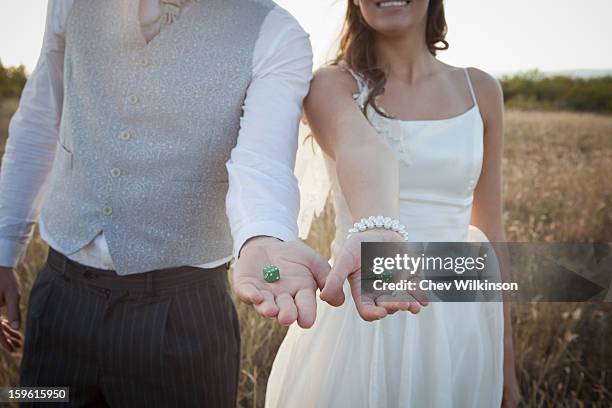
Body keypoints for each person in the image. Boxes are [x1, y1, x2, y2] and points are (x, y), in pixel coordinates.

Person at [0, 0, 331, 406]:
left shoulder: (275, 33)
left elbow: (261, 161)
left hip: (183, 318)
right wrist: (3, 249)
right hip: (60, 300)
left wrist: (262, 236)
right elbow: (38, 121)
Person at [266, 0, 520, 407]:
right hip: (362, 314)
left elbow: (491, 231)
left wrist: (505, 357)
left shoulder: (481, 89)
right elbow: (359, 148)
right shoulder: (332, 85)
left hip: (460, 321)